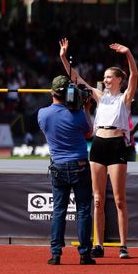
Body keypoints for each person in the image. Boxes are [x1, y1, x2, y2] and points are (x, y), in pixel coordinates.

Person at [59, 38, 138, 259]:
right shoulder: (99, 96)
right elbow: (76, 78)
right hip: (98, 144)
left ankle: (123, 245)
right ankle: (99, 244)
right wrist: (63, 58)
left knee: (120, 199)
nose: (105, 79)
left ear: (119, 80)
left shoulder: (125, 98)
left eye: (109, 77)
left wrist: (128, 53)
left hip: (116, 144)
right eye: (104, 77)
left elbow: (135, 76)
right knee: (97, 199)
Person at [37, 75, 95, 265]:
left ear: (52, 92)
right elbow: (88, 133)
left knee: (59, 211)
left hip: (58, 167)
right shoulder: (78, 114)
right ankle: (85, 255)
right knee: (84, 210)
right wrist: (86, 108)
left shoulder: (42, 114)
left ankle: (56, 254)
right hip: (79, 165)